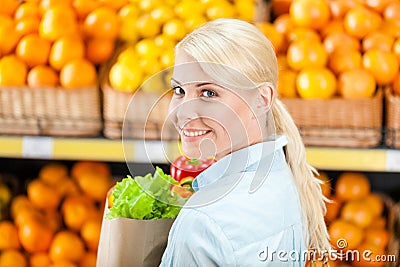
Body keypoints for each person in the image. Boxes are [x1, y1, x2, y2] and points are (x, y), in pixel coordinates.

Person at [160, 18, 329, 266]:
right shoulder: (284, 174)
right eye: (179, 90)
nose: (183, 112)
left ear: (261, 100)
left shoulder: (202, 223)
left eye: (209, 93)